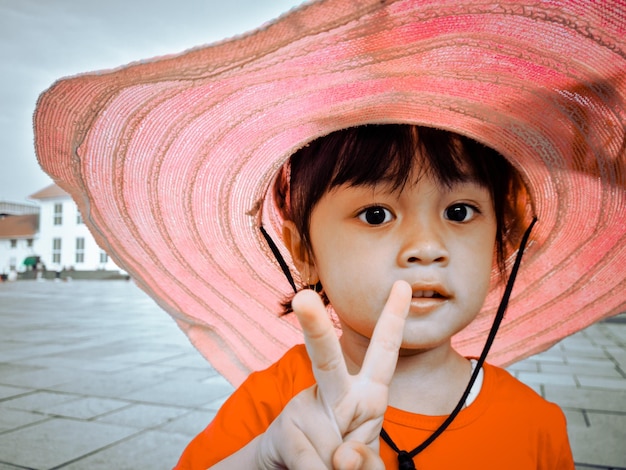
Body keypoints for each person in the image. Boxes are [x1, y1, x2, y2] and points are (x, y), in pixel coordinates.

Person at [33, 0, 625, 468]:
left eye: (461, 212)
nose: (426, 246)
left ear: (507, 237)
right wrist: (265, 460)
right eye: (375, 214)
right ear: (302, 253)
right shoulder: (277, 402)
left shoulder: (538, 425)